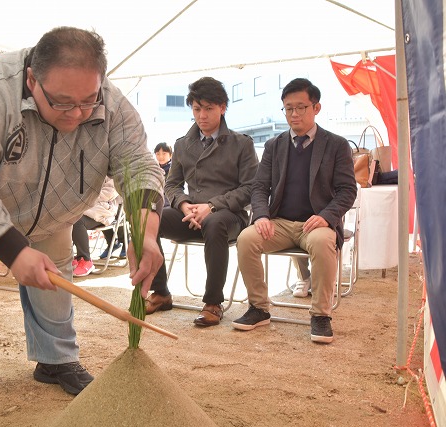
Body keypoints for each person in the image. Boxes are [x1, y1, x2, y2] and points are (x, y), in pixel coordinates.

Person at [0, 26, 164, 413]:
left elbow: (137, 163)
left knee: (55, 280)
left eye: (88, 101)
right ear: (31, 79)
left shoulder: (112, 103)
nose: (77, 114)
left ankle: (56, 359)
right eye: (62, 103)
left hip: (54, 210)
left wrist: (148, 232)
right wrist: (12, 250)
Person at [233, 78, 357, 343]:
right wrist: (262, 215)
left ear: (316, 108)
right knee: (246, 239)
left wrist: (326, 216)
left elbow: (347, 190)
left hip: (316, 225)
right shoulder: (274, 146)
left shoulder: (336, 145)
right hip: (279, 222)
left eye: (301, 107)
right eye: (288, 108)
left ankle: (321, 315)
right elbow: (258, 187)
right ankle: (259, 308)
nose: (294, 114)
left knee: (324, 243)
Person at [145, 77, 258, 327]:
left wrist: (213, 205)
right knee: (149, 219)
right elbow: (172, 185)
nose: (202, 115)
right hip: (190, 214)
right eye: (197, 109)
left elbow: (251, 188)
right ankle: (161, 291)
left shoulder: (241, 144)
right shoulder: (183, 145)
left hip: (228, 217)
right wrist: (184, 204)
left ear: (223, 107)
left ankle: (213, 303)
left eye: (208, 108)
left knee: (215, 222)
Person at [71, 177, 125, 277]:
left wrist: (85, 197)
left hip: (103, 210)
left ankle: (85, 259)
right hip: (86, 206)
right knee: (66, 216)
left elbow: (110, 192)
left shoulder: (113, 169)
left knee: (76, 220)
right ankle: (71, 257)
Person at [153, 142, 173, 207]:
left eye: (164, 153)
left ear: (170, 155)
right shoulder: (154, 169)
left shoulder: (173, 169)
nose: (160, 156)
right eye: (158, 154)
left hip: (168, 201)